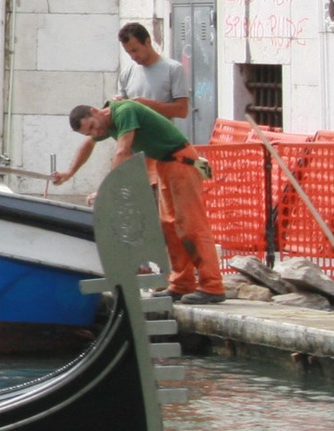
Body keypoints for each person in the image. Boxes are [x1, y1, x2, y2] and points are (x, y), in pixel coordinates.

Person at [61, 98, 226, 303]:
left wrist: (108, 190)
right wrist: (69, 173)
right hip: (164, 165)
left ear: (96, 111)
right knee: (170, 226)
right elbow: (88, 146)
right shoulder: (104, 125)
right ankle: (182, 284)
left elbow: (122, 150)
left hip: (182, 161)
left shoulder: (124, 111)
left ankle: (212, 286)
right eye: (89, 132)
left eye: (93, 127)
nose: (95, 133)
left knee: (191, 225)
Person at [110, 21, 191, 123]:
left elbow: (182, 111)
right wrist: (117, 103)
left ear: (148, 42)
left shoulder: (174, 69)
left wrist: (146, 104)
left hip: (162, 136)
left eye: (135, 50)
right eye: (128, 52)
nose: (133, 56)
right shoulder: (126, 73)